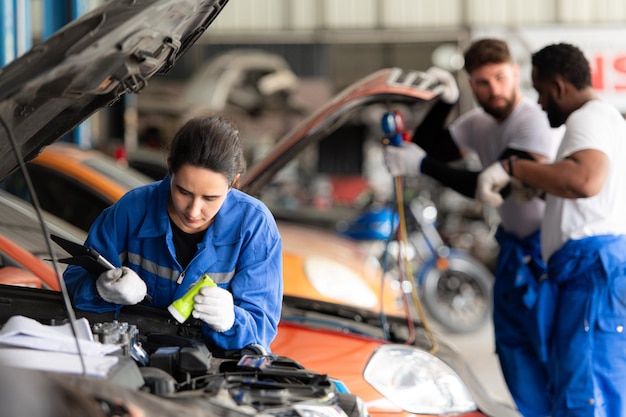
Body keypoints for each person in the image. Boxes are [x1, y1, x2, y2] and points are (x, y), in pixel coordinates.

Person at [384, 38, 563, 416]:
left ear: (515, 74)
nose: (494, 90)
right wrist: (444, 104)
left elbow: (490, 182)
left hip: (548, 255)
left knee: (549, 348)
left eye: (500, 78)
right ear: (471, 85)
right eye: (482, 82)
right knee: (514, 349)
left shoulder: (531, 119)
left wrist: (421, 166)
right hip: (513, 249)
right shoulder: (478, 123)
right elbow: (428, 147)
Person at [477, 42, 626, 417]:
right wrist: (542, 183)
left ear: (559, 87)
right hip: (584, 270)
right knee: (579, 383)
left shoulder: (588, 117)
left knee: (586, 391)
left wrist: (514, 168)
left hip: (591, 270)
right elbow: (581, 184)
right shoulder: (602, 118)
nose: (540, 105)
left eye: (542, 93)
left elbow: (585, 180)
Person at [64, 115, 283, 354]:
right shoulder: (131, 210)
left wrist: (231, 321)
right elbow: (73, 284)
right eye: (183, 191)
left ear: (234, 184)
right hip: (131, 357)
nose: (193, 210)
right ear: (170, 168)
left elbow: (261, 329)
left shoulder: (254, 226)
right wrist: (99, 289)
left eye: (210, 198)